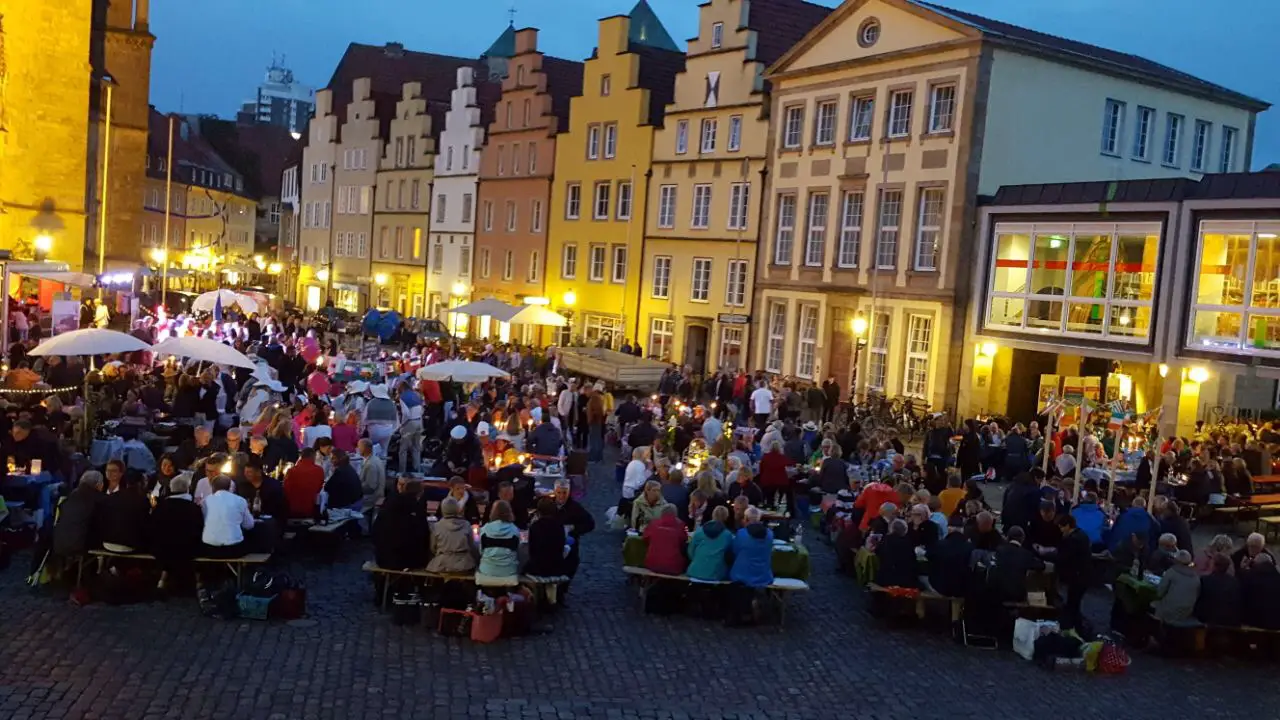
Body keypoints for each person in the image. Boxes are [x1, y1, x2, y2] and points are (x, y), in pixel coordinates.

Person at [147, 475, 204, 590]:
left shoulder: (160, 507)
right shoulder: (194, 508)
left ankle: (163, 579)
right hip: (188, 550)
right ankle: (198, 581)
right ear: (187, 489)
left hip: (162, 549)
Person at [372, 477, 430, 570]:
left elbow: (375, 532)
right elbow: (423, 536)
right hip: (408, 560)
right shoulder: (415, 509)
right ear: (419, 493)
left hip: (383, 559)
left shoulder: (389, 504)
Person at [201, 474, 254, 558]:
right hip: (234, 549)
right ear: (229, 487)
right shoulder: (240, 500)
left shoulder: (205, 501)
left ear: (212, 487)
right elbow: (249, 525)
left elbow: (203, 521)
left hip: (210, 549)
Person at [1055, 513, 1092, 631]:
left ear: (1067, 526)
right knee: (1074, 602)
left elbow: (1065, 558)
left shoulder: (1072, 540)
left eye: (1061, 527)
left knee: (1072, 602)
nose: (1061, 530)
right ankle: (1076, 626)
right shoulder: (1082, 535)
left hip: (1077, 576)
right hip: (1084, 574)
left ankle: (1074, 627)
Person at [989, 527, 1045, 603]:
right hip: (1017, 594)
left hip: (999, 593)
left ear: (1007, 537)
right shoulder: (1026, 554)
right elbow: (1041, 566)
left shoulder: (999, 550)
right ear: (1022, 539)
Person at [97, 475, 151, 553]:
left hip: (107, 543)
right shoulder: (143, 500)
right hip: (129, 545)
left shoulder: (111, 497)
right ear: (140, 484)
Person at [426, 497, 479, 574]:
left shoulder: (436, 526)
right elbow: (472, 546)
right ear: (457, 509)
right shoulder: (466, 525)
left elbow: (433, 548)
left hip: (441, 564)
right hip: (464, 564)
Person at [476, 500, 521, 587]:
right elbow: (517, 552)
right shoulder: (514, 530)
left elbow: (480, 551)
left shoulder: (485, 529)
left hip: (487, 572)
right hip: (509, 572)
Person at [927, 515, 974, 597]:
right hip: (962, 588)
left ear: (948, 528)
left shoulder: (939, 544)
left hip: (939, 586)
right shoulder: (970, 547)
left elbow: (928, 557)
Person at [729, 506, 774, 588]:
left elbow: (734, 551)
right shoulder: (770, 534)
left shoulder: (741, 533)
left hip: (741, 576)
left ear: (746, 519)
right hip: (764, 576)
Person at [524, 497, 568, 578]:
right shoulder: (559, 526)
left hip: (538, 568)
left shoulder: (535, 526)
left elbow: (532, 549)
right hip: (556, 567)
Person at [687, 505, 733, 583]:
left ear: (712, 515)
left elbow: (690, 551)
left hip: (695, 571)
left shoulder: (699, 531)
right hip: (716, 574)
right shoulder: (728, 535)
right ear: (726, 517)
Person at [1195, 553, 1242, 627]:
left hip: (1208, 617)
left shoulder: (1205, 580)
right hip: (1230, 618)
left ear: (1214, 565)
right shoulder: (1234, 581)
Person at [643, 505, 688, 576]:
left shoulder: (653, 523)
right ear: (676, 514)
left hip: (653, 564)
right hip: (674, 566)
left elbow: (645, 538)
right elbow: (685, 540)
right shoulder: (681, 525)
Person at [875, 519, 919, 589]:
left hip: (885, 578)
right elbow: (913, 562)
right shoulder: (908, 542)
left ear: (891, 529)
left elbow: (877, 553)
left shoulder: (885, 540)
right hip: (905, 580)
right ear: (905, 530)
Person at [1240, 552, 1280, 630]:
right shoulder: (1278, 578)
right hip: (1275, 623)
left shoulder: (1248, 577)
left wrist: (1243, 569)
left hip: (1252, 622)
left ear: (1255, 563)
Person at [283, 447, 324, 519]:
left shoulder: (291, 471)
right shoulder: (319, 470)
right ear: (313, 456)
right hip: (310, 509)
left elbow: (285, 489)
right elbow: (319, 489)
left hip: (292, 509)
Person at [357, 439, 386, 520]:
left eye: (359, 447)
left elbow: (370, 487)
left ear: (366, 448)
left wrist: (355, 488)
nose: (357, 449)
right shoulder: (375, 459)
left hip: (371, 498)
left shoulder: (370, 464)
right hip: (375, 495)